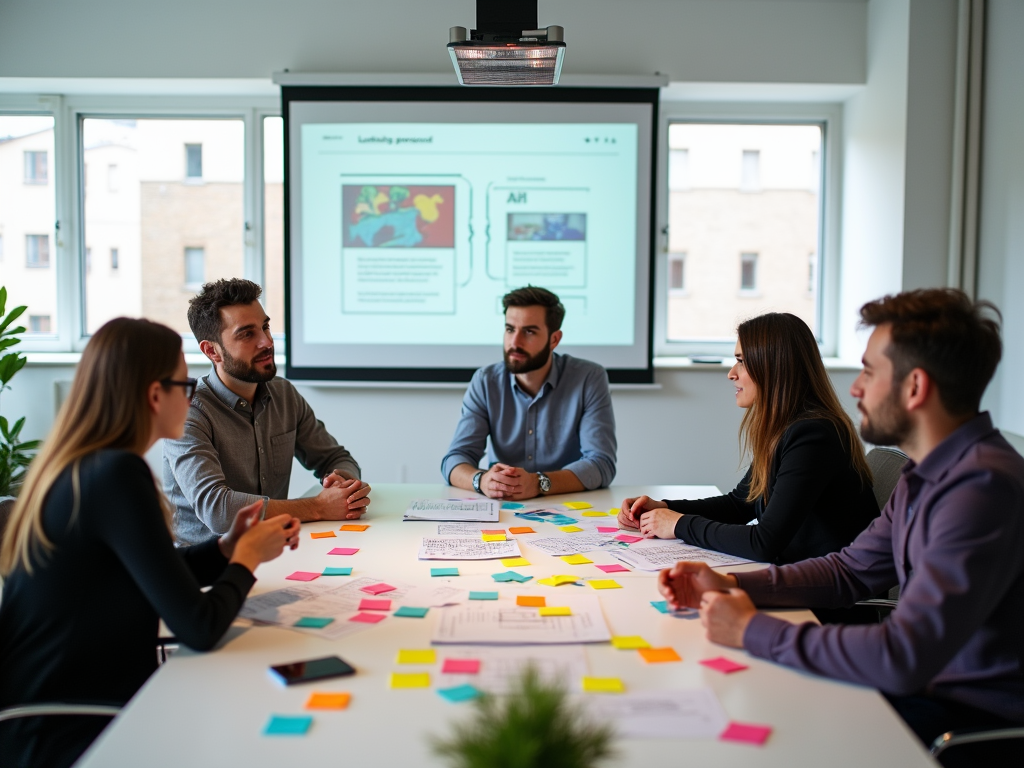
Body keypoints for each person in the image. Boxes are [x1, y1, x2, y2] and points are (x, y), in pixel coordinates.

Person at [658, 289, 1024, 759]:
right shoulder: (927, 472)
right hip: (919, 687)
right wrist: (731, 584)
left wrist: (752, 630)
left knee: (755, 730)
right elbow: (848, 570)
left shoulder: (980, 489)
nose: (854, 388)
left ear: (915, 387)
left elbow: (902, 656)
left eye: (869, 372)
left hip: (960, 719)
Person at [0, 318, 299, 768]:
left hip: (66, 709)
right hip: (69, 730)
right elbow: (199, 628)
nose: (194, 396)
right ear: (155, 395)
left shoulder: (86, 467)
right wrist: (247, 559)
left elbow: (150, 572)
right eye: (186, 385)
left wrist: (225, 548)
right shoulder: (116, 475)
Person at [618, 312, 878, 564]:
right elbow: (739, 505)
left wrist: (678, 524)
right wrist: (661, 507)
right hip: (801, 577)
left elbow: (764, 543)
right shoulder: (788, 428)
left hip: (827, 600)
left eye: (741, 361)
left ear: (773, 367)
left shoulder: (813, 435)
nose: (732, 373)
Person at [163, 279, 370, 546]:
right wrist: (318, 507)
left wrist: (344, 485)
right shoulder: (189, 412)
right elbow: (218, 511)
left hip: (273, 552)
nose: (267, 342)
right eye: (247, 334)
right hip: (206, 571)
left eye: (265, 326)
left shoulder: (283, 394)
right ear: (212, 350)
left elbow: (335, 457)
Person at [442, 285, 617, 500]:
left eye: (529, 332)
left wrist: (539, 483)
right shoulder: (485, 381)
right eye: (509, 329)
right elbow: (455, 459)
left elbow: (601, 464)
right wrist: (482, 480)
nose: (515, 343)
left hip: (567, 506)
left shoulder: (588, 378)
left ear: (554, 339)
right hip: (502, 507)